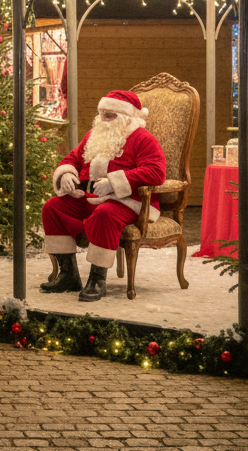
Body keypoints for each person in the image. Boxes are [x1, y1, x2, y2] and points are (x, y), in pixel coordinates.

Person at [42, 90, 166, 302]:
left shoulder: (142, 138)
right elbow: (71, 159)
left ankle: (97, 279)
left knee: (105, 214)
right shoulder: (93, 136)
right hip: (89, 196)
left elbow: (157, 171)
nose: (104, 119)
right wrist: (66, 176)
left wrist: (114, 183)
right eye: (102, 114)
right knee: (52, 207)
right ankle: (68, 275)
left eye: (111, 115)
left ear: (126, 117)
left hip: (126, 201)